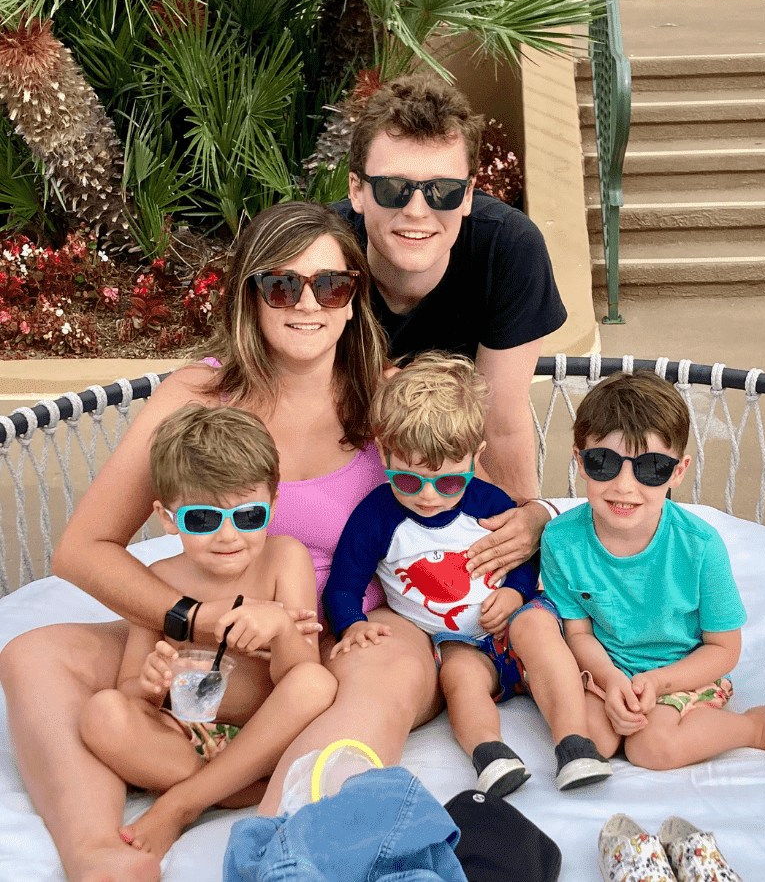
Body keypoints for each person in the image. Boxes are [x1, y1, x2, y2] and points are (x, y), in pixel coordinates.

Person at [0, 202, 444, 882]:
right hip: (212, 625)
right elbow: (83, 549)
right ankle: (101, 854)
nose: (308, 303)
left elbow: (473, 499)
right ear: (252, 297)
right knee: (32, 654)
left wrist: (530, 522)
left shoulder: (391, 401)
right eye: (282, 285)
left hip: (343, 631)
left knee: (383, 670)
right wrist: (197, 621)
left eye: (331, 285)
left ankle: (278, 850)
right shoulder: (197, 396)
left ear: (354, 299)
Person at [323, 352, 611, 797]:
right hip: (455, 643)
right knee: (459, 679)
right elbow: (344, 582)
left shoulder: (490, 503)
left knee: (539, 628)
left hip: (514, 624)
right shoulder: (376, 517)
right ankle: (490, 753)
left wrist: (516, 595)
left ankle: (574, 743)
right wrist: (351, 624)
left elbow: (524, 560)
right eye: (409, 481)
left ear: (475, 458)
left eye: (449, 482)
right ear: (383, 451)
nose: (429, 497)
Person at [334, 72, 567, 584]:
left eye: (442, 191)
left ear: (467, 194)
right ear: (357, 189)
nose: (417, 210)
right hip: (342, 477)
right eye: (393, 188)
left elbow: (500, 421)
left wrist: (518, 529)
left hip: (450, 481)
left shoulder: (507, 249)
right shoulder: (321, 259)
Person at [80, 403, 337, 864]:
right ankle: (225, 785)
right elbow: (131, 691)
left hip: (260, 736)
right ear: (167, 517)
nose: (227, 535)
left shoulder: (285, 560)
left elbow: (301, 674)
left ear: (273, 506)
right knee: (101, 712)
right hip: (182, 740)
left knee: (317, 685)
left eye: (247, 516)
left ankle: (184, 802)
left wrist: (280, 626)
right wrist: (151, 685)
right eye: (202, 519)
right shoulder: (159, 578)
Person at [538, 369, 765, 770]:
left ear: (678, 470)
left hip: (683, 672)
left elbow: (724, 648)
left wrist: (658, 683)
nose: (624, 486)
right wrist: (609, 678)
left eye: (651, 467)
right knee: (591, 742)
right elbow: (578, 632)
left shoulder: (700, 546)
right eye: (603, 462)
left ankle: (755, 727)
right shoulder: (560, 539)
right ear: (580, 462)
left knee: (650, 749)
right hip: (608, 672)